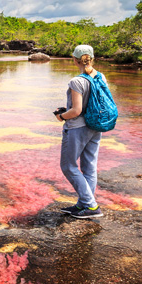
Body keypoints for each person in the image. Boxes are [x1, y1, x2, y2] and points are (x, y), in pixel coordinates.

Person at [55, 45, 104, 219]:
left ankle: (91, 206)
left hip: (77, 128)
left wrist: (61, 116)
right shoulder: (100, 77)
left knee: (68, 166)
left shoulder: (76, 81)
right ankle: (84, 204)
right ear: (91, 58)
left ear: (75, 59)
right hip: (95, 126)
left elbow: (75, 111)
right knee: (89, 167)